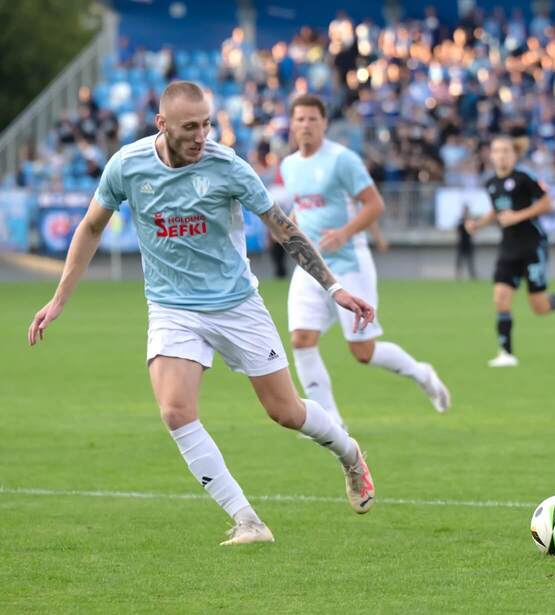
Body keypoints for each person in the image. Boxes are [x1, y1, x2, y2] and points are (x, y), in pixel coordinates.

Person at [27, 81, 377, 546]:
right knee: (175, 410)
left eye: (207, 124)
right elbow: (91, 227)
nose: (201, 135)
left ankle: (351, 455)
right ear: (162, 125)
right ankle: (248, 520)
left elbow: (283, 228)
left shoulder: (227, 165)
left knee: (286, 412)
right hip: (173, 308)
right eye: (190, 127)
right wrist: (59, 299)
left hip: (236, 304)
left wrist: (333, 287)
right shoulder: (127, 166)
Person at [279, 94, 450, 429]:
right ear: (292, 123)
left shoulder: (342, 160)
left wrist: (344, 232)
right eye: (299, 119)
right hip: (312, 265)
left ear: (324, 123)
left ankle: (421, 373)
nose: (306, 125)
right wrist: (289, 227)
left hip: (349, 262)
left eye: (313, 119)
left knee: (363, 352)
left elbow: (374, 205)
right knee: (301, 339)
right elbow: (304, 206)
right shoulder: (289, 165)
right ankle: (332, 422)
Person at [466, 135, 555, 368]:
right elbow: (497, 211)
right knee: (500, 298)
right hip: (508, 247)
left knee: (539, 307)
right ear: (491, 155)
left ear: (513, 155)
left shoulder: (525, 178)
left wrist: (517, 217)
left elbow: (546, 204)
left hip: (532, 245)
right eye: (497, 151)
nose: (501, 155)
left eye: (505, 151)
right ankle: (506, 353)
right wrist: (478, 224)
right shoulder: (491, 183)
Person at [456, 205, 477, 280]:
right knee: (459, 260)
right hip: (461, 243)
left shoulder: (470, 220)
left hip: (469, 243)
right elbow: (458, 230)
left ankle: (472, 276)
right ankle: (458, 276)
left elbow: (473, 231)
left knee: (470, 261)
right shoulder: (460, 220)